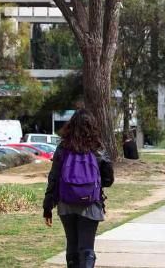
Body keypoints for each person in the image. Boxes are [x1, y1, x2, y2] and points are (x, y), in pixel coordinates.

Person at [43, 109, 115, 268]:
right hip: (90, 204)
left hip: (66, 204)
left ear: (71, 125)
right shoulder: (98, 148)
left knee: (72, 246)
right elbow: (109, 179)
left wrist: (47, 206)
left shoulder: (63, 148)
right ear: (92, 127)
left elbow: (53, 178)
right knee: (87, 248)